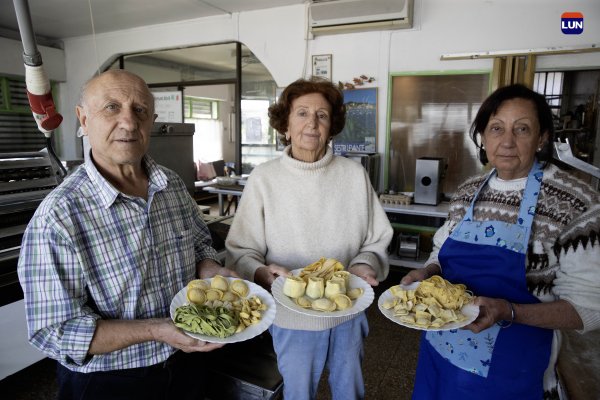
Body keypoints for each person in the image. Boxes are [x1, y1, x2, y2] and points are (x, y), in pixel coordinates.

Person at [17, 69, 237, 400]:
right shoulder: (59, 217)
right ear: (83, 118)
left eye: (140, 110)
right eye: (111, 107)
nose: (129, 122)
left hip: (185, 361)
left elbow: (199, 243)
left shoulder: (171, 184)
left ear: (151, 120)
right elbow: (54, 332)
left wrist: (210, 269)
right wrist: (157, 330)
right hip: (111, 380)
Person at [401, 84, 600, 399]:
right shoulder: (468, 191)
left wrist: (510, 312)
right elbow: (441, 252)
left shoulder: (577, 201)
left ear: (543, 137)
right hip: (441, 356)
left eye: (522, 129)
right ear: (483, 135)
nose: (507, 141)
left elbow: (589, 308)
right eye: (496, 128)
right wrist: (428, 272)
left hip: (512, 372)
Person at [225, 76, 393, 400]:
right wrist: (261, 272)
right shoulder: (265, 178)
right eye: (302, 113)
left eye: (322, 116)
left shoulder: (354, 175)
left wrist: (363, 264)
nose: (312, 124)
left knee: (350, 391)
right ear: (285, 124)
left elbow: (376, 239)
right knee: (300, 394)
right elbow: (241, 250)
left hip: (349, 306)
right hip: (293, 315)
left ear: (331, 127)